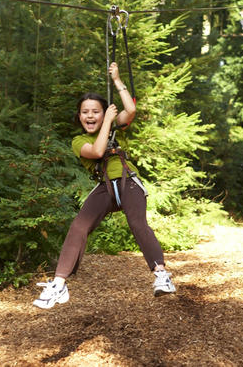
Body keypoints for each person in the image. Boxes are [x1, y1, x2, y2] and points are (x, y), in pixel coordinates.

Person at [33, 62, 176, 309]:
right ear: (79, 117)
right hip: (105, 188)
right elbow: (98, 150)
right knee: (79, 226)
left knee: (137, 223)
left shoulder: (113, 129)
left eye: (96, 112)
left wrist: (117, 81)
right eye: (85, 112)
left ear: (103, 113)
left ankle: (161, 275)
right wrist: (108, 121)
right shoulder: (78, 141)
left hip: (127, 181)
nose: (90, 116)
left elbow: (130, 110)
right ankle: (58, 284)